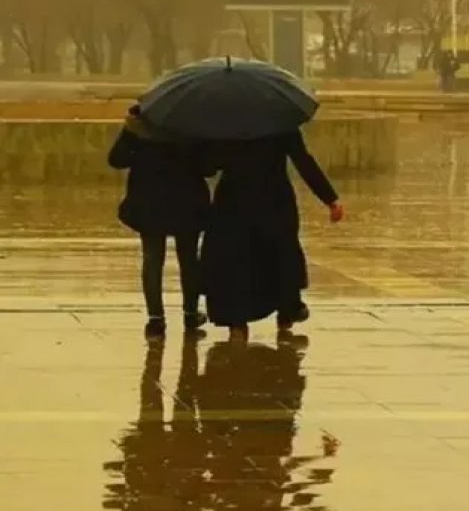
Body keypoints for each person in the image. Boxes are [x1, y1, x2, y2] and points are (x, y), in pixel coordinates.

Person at [201, 131, 344, 336]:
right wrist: (329, 198)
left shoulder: (226, 123)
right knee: (280, 254)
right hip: (274, 199)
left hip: (234, 201)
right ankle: (287, 311)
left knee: (236, 260)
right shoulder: (280, 122)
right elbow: (302, 160)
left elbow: (207, 167)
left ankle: (237, 321)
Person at [108, 105, 212, 338]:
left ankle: (155, 319)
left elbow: (116, 160)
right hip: (188, 201)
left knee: (153, 258)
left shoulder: (141, 125)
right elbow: (209, 168)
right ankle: (190, 313)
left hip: (150, 201)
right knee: (189, 259)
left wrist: (129, 131)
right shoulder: (193, 127)